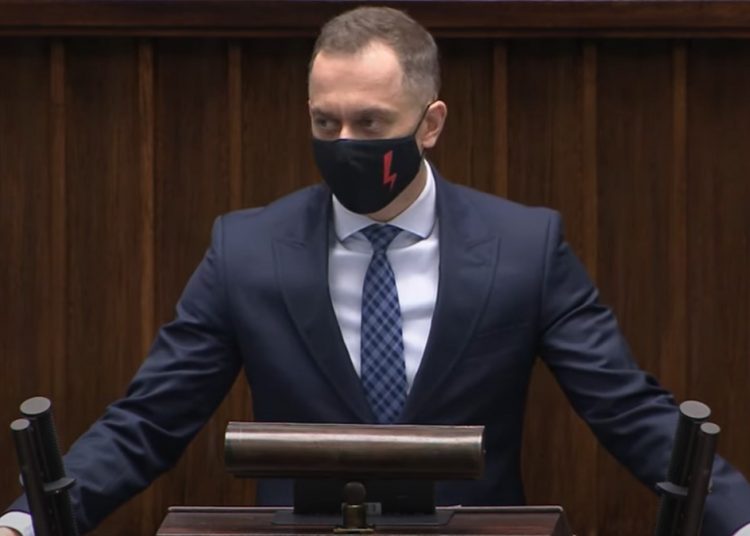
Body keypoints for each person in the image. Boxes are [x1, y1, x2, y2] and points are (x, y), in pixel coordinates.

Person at [3, 6, 750, 536]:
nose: (344, 143)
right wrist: (28, 519)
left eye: (370, 123)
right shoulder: (248, 250)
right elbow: (150, 419)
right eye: (324, 122)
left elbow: (626, 407)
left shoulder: (524, 247)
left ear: (430, 124)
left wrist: (739, 519)